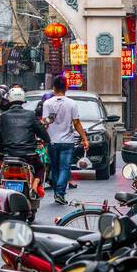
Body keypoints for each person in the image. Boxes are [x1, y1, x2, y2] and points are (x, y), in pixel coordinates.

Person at [0, 86, 51, 191]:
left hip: (9, 154)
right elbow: (42, 132)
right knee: (40, 168)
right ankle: (34, 186)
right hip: (28, 155)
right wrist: (46, 141)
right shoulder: (31, 115)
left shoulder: (3, 116)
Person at [41, 75, 91, 204]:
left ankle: (58, 193)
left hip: (51, 141)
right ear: (66, 87)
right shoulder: (71, 103)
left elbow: (44, 122)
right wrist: (84, 138)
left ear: (54, 88)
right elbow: (77, 123)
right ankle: (60, 193)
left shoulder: (47, 103)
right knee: (64, 168)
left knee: (56, 167)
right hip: (67, 142)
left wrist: (43, 136)